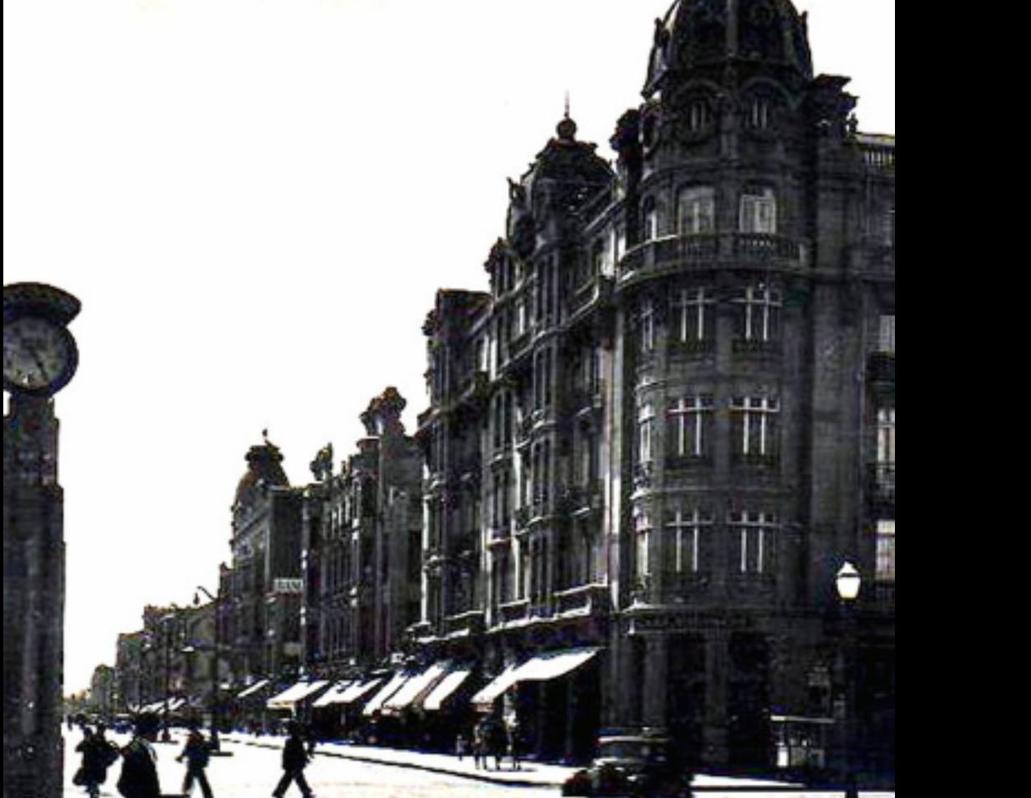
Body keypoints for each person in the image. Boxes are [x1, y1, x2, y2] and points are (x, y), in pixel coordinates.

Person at [117, 713, 162, 798]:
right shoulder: (137, 749)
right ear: (147, 730)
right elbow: (126, 784)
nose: (158, 733)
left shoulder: (141, 746)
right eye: (155, 730)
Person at [272, 721, 316, 798]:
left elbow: (291, 753)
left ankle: (278, 791)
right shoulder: (294, 741)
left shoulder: (292, 740)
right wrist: (304, 758)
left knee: (289, 777)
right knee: (298, 777)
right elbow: (297, 752)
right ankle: (306, 792)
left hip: (292, 763)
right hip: (294, 763)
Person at [177, 724, 215, 798]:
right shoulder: (190, 742)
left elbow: (207, 751)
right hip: (193, 763)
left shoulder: (202, 744)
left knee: (199, 780)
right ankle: (186, 792)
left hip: (198, 763)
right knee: (191, 778)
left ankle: (206, 795)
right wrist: (181, 757)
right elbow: (185, 751)